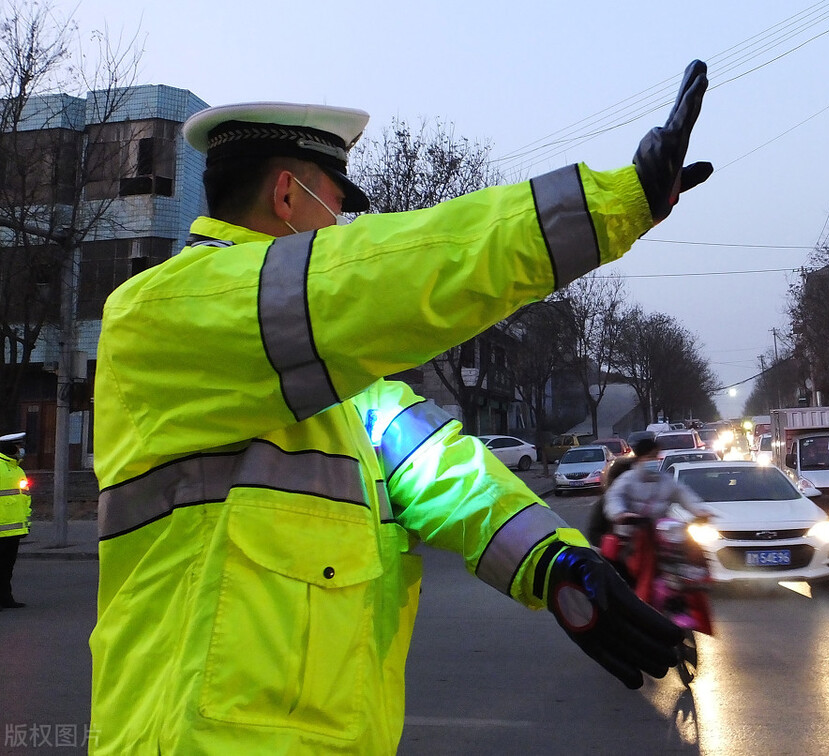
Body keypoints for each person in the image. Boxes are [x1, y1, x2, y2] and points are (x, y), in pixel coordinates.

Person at [90, 61, 712, 754]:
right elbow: (383, 278)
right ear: (288, 195)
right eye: (339, 206)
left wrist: (556, 561)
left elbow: (440, 471)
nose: (346, 227)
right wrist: (611, 205)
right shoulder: (165, 313)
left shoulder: (343, 392)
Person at [603, 438, 710, 602]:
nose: (654, 460)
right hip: (632, 537)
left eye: (656, 456)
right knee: (636, 571)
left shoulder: (665, 481)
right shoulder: (627, 480)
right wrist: (622, 514)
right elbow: (614, 498)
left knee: (688, 551)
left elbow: (683, 494)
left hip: (661, 535)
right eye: (651, 456)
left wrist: (700, 511)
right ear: (640, 457)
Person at [0, 432, 30, 609]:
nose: (21, 450)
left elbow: (25, 499)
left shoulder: (18, 469)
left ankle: (5, 598)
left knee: (7, 568)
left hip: (14, 529)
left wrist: (26, 523)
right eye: (18, 446)